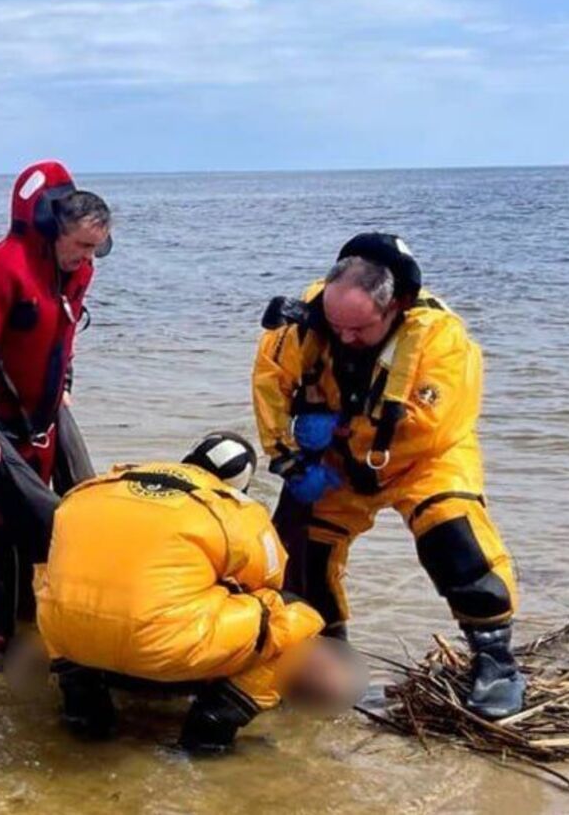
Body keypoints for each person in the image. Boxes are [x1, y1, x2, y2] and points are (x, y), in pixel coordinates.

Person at [251, 233, 525, 718]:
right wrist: (289, 453)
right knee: (306, 556)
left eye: (358, 329)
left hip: (423, 459)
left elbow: (429, 425)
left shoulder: (441, 339)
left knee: (454, 540)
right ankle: (326, 652)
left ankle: (495, 658)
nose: (344, 337)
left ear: (394, 307)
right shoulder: (306, 324)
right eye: (336, 326)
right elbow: (271, 384)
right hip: (335, 464)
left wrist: (338, 428)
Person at [37, 432, 359, 753]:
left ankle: (82, 703)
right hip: (161, 646)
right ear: (240, 483)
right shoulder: (235, 509)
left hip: (66, 633)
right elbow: (270, 581)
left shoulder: (96, 487)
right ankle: (214, 723)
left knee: (57, 587)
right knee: (294, 615)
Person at [0, 159, 110, 662]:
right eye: (80, 246)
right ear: (53, 226)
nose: (87, 258)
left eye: (94, 248)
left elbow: (64, 334)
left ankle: (33, 627)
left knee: (40, 530)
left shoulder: (76, 269)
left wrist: (65, 384)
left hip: (44, 420)